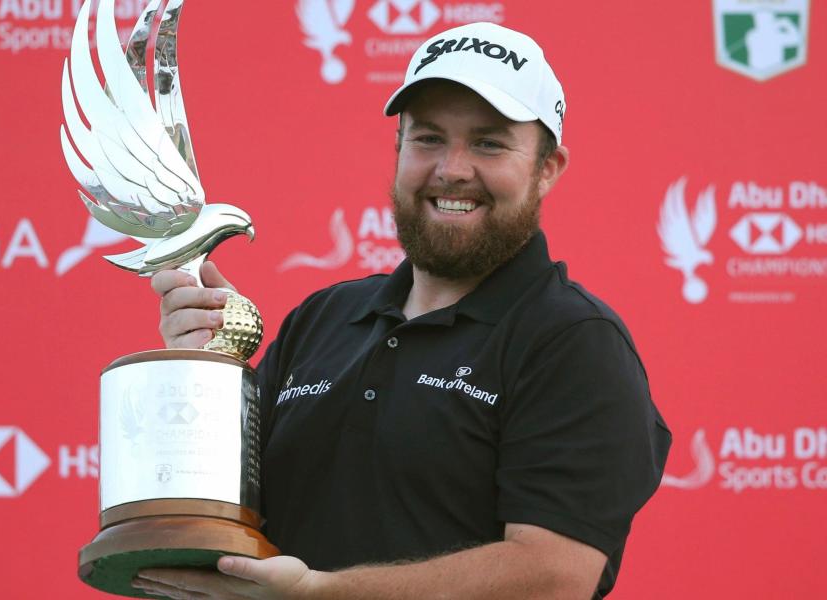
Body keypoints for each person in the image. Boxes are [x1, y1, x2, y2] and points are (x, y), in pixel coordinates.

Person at [138, 22, 670, 600]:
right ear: (398, 149)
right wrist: (201, 377)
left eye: (489, 143)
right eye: (428, 138)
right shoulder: (322, 319)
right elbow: (224, 518)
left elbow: (551, 578)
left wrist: (320, 595)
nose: (453, 168)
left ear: (547, 168)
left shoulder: (573, 342)